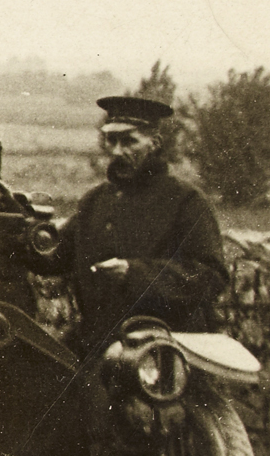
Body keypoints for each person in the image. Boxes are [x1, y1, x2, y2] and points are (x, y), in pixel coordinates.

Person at [46, 95, 227, 359]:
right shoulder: (95, 201)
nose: (117, 151)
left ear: (154, 143)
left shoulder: (186, 201)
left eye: (129, 141)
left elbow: (211, 276)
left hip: (163, 348)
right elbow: (55, 256)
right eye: (112, 141)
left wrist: (134, 273)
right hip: (97, 341)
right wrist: (22, 223)